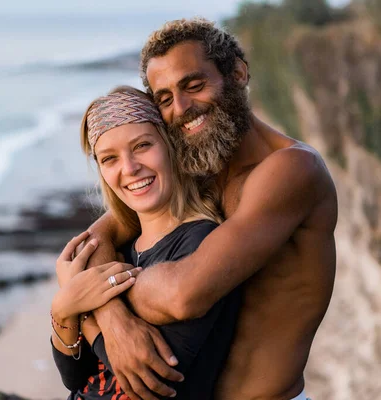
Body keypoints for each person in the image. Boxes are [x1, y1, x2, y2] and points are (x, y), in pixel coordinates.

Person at [79, 18, 338, 400]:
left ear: (237, 72)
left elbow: (184, 294)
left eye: (193, 85)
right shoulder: (196, 170)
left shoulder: (292, 170)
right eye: (164, 99)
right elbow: (97, 238)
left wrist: (94, 296)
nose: (181, 108)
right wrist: (114, 321)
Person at [49, 86, 242, 399]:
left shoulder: (200, 244)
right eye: (109, 159)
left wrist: (79, 305)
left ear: (169, 146)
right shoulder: (117, 249)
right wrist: (63, 307)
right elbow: (73, 376)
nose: (129, 168)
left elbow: (154, 382)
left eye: (141, 146)